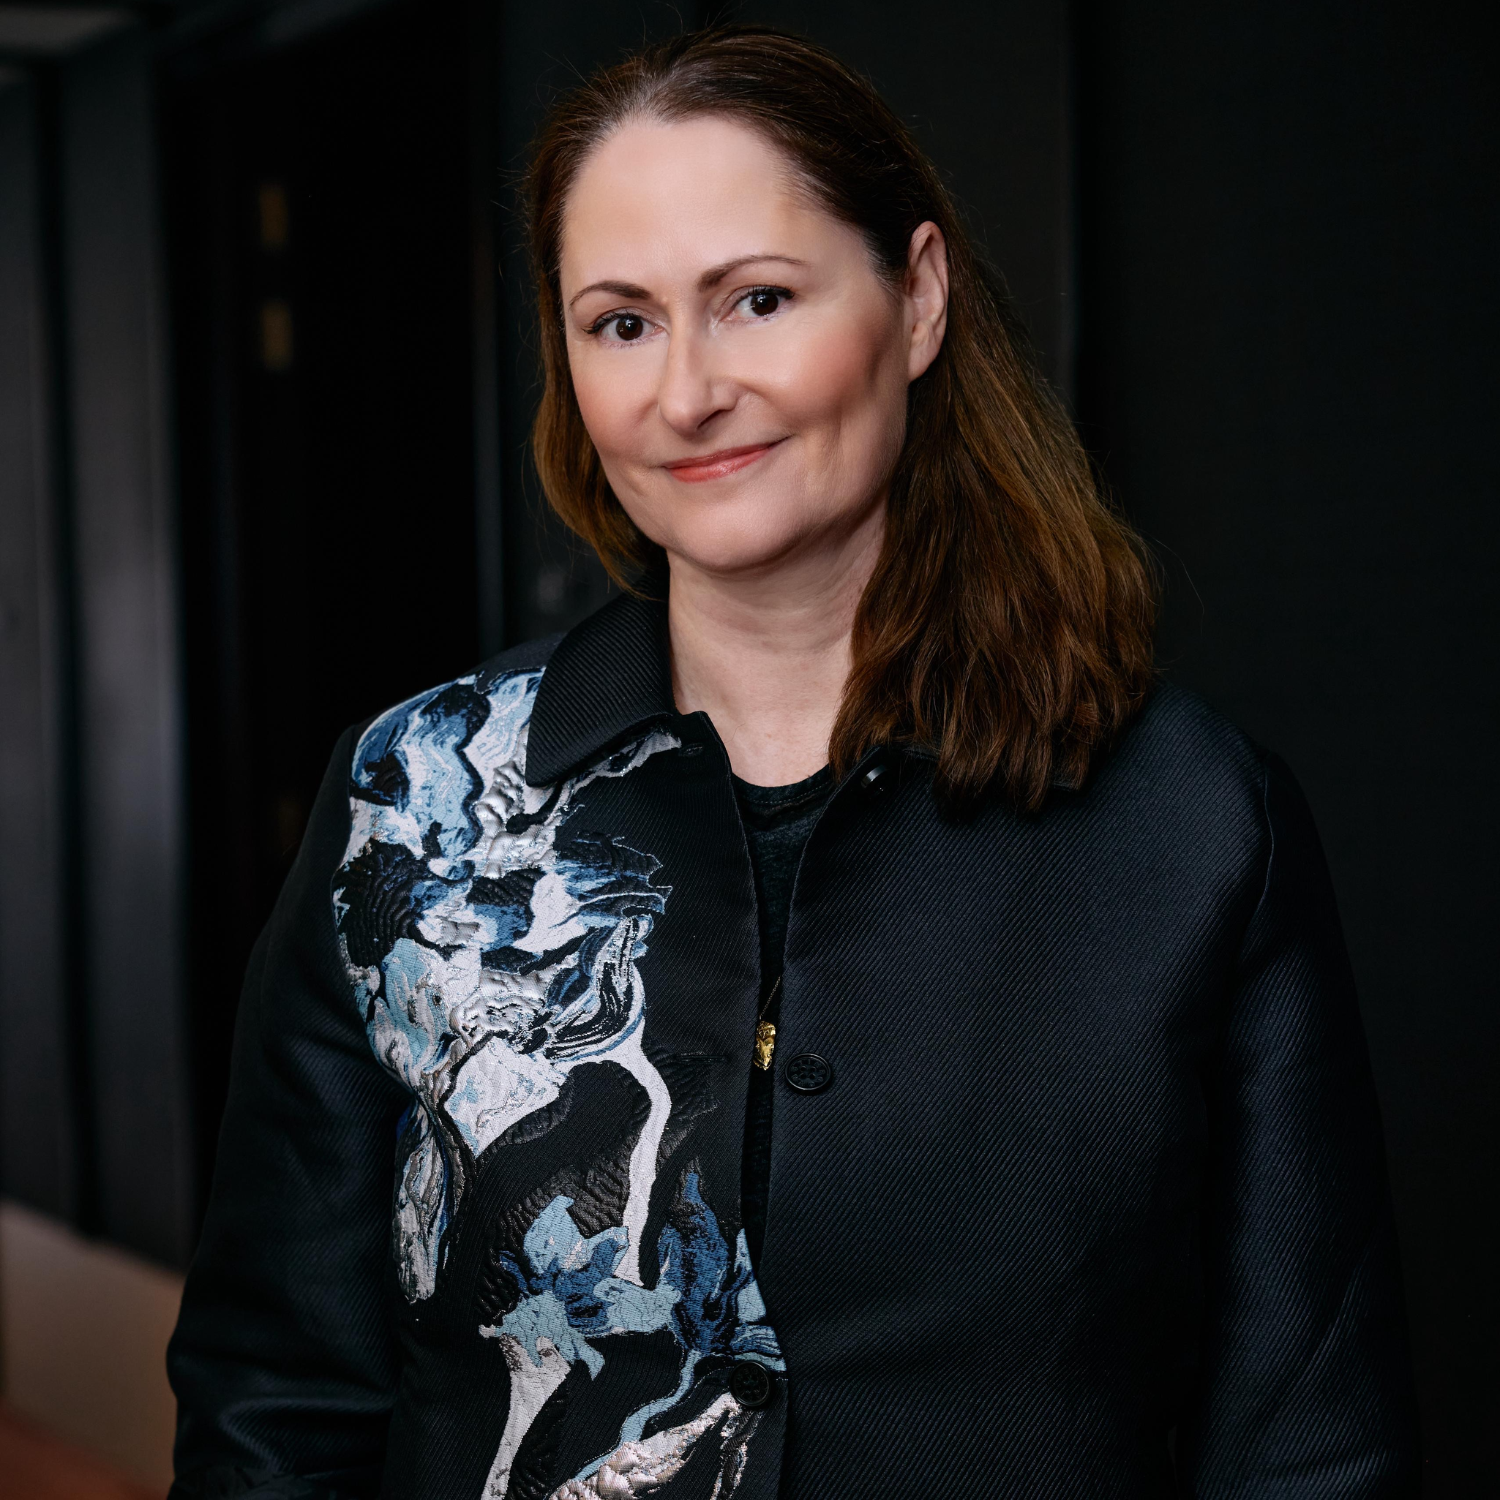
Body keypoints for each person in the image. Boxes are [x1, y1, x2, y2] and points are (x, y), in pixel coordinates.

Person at [167, 26, 1419, 1500]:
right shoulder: (418, 801)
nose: (687, 392)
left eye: (755, 301)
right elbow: (274, 1397)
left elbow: (1308, 1445)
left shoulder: (1192, 824)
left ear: (919, 299)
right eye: (620, 323)